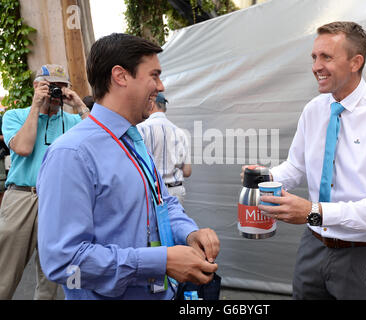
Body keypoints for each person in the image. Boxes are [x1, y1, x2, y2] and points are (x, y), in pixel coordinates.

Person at [36, 33, 219, 300]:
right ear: (120, 76)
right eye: (154, 75)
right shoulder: (71, 154)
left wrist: (189, 232)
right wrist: (161, 261)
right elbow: (64, 261)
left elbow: (162, 201)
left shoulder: (133, 139)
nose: (162, 86)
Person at [244, 21, 366, 299]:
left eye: (327, 57)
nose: (316, 66)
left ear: (355, 62)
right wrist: (266, 176)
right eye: (314, 57)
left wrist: (314, 212)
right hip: (314, 247)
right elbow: (296, 166)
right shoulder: (314, 110)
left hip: (365, 255)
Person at [0, 64, 90, 299]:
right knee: (5, 271)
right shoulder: (15, 115)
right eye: (51, 87)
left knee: (50, 278)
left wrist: (80, 105)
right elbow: (23, 147)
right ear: (37, 86)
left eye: (61, 88)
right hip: (22, 196)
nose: (55, 93)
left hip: (59, 199)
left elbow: (98, 141)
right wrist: (36, 107)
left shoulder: (71, 121)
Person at [137, 93, 191, 205]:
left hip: (153, 192)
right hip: (176, 191)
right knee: (175, 222)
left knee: (154, 223)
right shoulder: (180, 133)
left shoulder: (140, 129)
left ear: (151, 104)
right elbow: (187, 171)